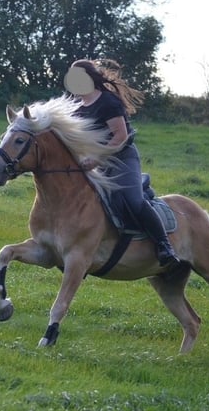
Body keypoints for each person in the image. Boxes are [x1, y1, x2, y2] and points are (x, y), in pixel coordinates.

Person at [63, 58, 179, 267]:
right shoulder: (77, 108)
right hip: (94, 162)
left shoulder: (108, 102)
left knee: (133, 200)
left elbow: (120, 136)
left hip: (122, 157)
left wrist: (98, 158)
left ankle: (164, 245)